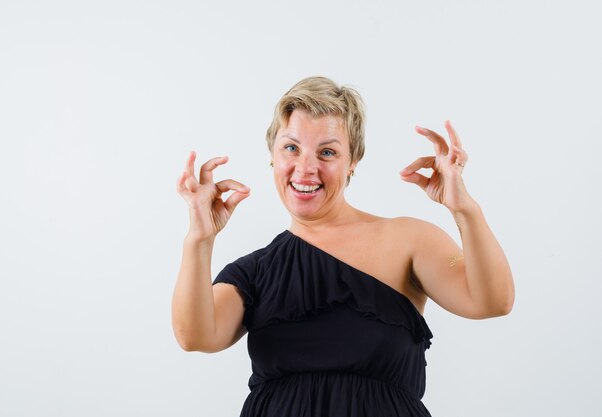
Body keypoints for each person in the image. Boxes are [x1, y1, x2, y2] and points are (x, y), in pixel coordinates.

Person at [172, 76, 515, 417]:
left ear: (353, 162)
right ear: (272, 157)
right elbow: (195, 336)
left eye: (327, 152)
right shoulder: (255, 271)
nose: (306, 167)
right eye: (291, 148)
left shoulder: (408, 240)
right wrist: (199, 239)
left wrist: (463, 208)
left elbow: (493, 300)